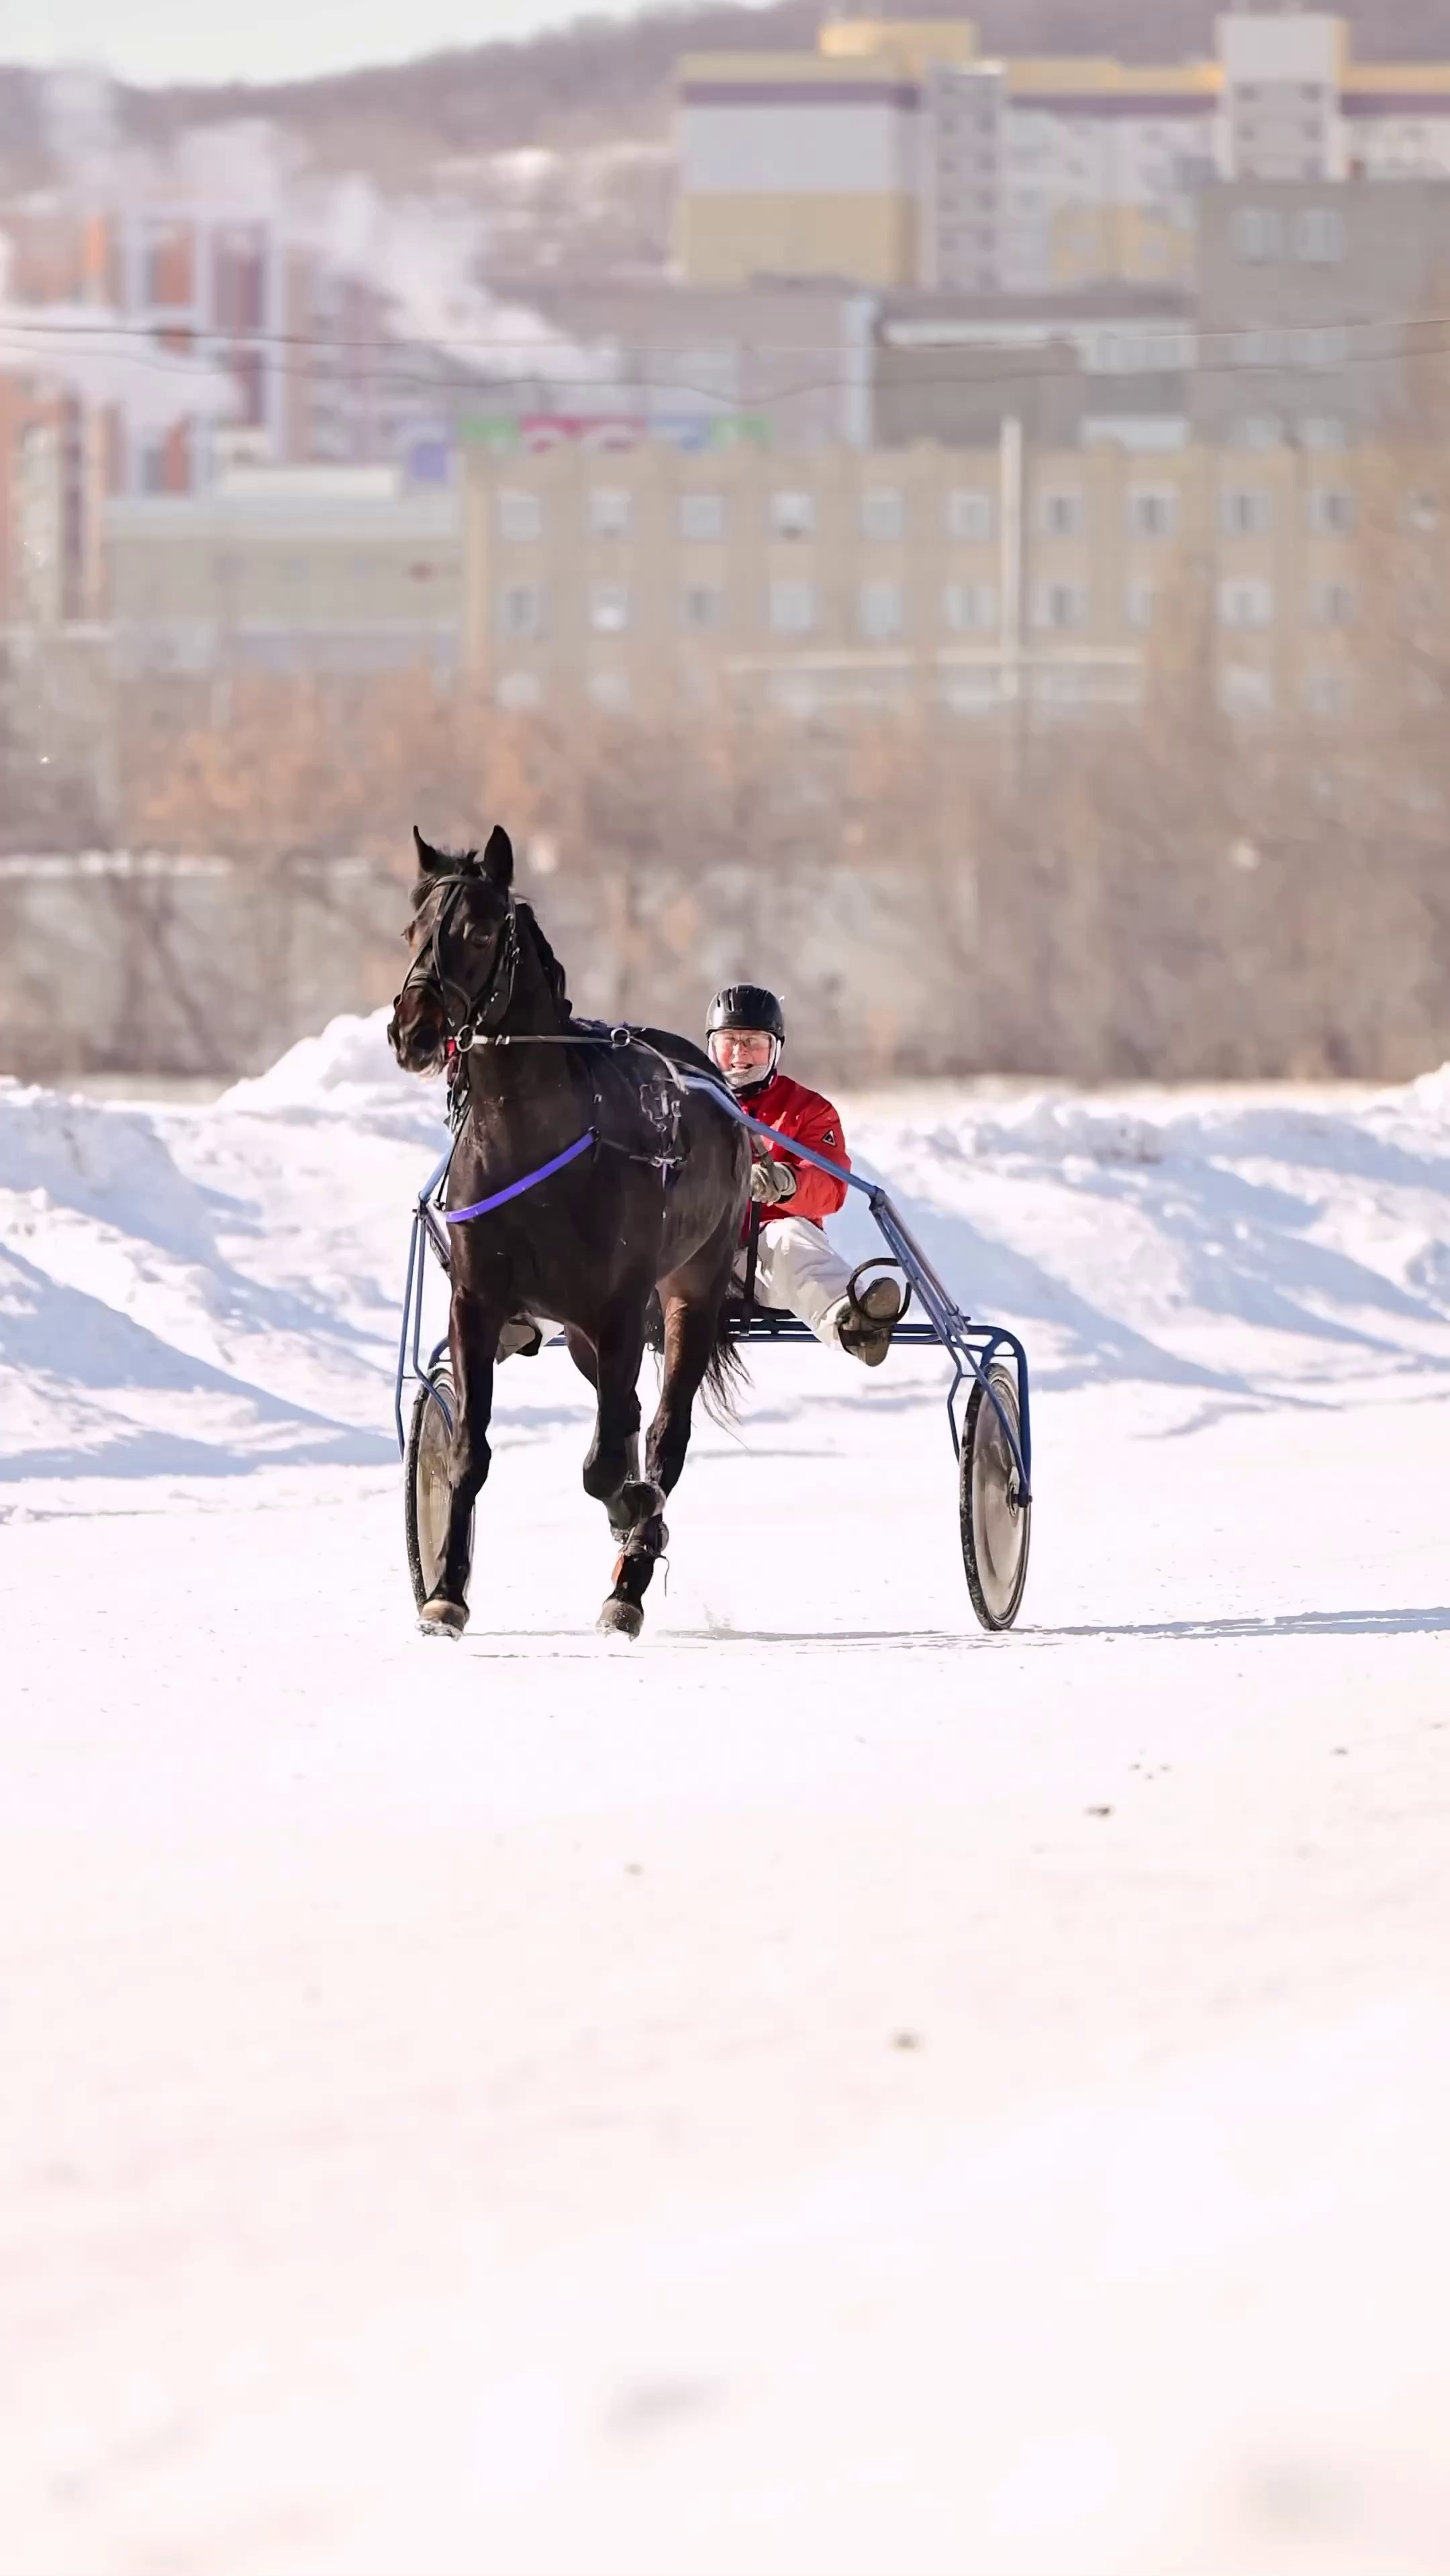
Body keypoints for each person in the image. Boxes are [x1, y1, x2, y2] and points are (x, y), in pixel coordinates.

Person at [706, 984, 902, 1366]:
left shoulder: (807, 1111)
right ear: (712, 1045)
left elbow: (831, 1188)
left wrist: (787, 1184)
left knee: (790, 1238)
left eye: (753, 1042)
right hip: (690, 1254)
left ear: (776, 1047)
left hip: (760, 1267)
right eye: (729, 1040)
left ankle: (853, 1321)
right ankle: (554, 1313)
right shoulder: (685, 1101)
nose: (739, 1053)